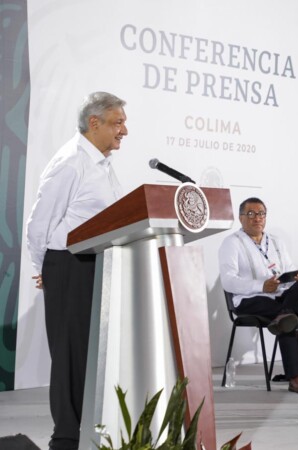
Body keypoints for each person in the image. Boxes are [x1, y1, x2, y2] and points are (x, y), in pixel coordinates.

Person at [26, 92, 128, 450]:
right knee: (70, 354)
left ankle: (91, 427)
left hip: (95, 264)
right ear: (94, 122)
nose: (124, 131)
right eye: (118, 122)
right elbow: (40, 224)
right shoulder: (70, 162)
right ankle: (66, 437)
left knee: (90, 353)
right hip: (68, 265)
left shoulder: (102, 164)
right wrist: (46, 270)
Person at [218, 197, 298, 393]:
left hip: (280, 296)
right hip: (248, 300)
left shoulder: (275, 241)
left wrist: (293, 277)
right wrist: (261, 286)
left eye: (261, 214)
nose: (257, 218)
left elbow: (287, 268)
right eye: (251, 214)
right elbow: (228, 281)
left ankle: (286, 317)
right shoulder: (231, 243)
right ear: (241, 218)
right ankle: (297, 376)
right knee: (287, 317)